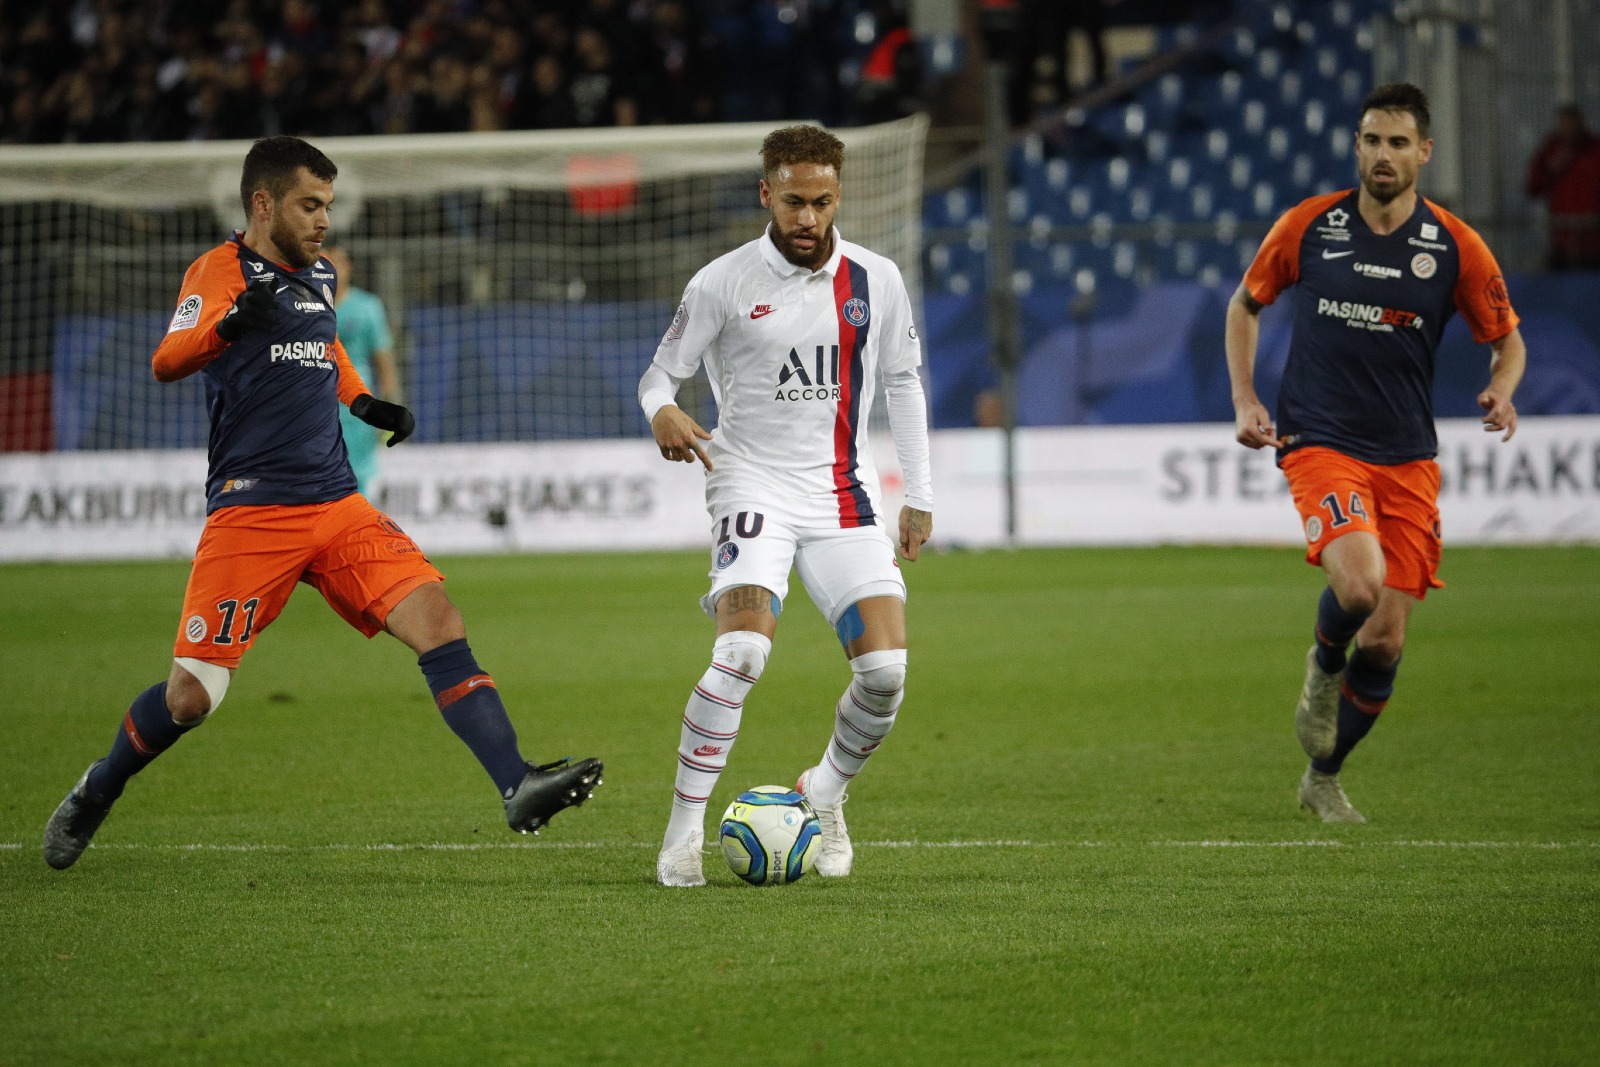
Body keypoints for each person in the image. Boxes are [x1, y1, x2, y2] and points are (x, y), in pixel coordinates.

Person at [43, 136, 601, 870]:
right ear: (263, 203)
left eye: (328, 206)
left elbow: (326, 347)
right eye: (310, 205)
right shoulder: (218, 270)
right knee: (191, 697)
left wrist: (365, 402)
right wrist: (231, 324)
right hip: (253, 512)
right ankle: (98, 788)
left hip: (338, 504)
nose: (323, 221)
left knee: (437, 617)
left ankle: (516, 782)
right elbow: (166, 360)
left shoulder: (321, 278)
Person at [641, 125, 934, 886]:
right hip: (752, 485)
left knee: (887, 672)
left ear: (841, 196)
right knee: (741, 651)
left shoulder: (877, 278)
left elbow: (904, 382)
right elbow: (657, 377)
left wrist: (921, 495)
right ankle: (681, 835)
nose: (808, 217)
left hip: (843, 493)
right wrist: (661, 411)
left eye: (823, 201)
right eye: (795, 201)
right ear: (766, 194)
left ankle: (825, 792)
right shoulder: (722, 282)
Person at [1226, 84, 1526, 823]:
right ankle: (1323, 667)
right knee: (1358, 589)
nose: (1382, 155)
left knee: (1387, 640)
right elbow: (1245, 305)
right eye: (1371, 140)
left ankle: (1323, 775)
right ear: (1356, 146)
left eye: (1397, 143)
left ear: (1424, 151)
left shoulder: (1454, 245)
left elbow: (1508, 340)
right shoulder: (1310, 226)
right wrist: (1245, 399)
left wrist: (1503, 387)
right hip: (1320, 440)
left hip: (1407, 454)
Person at [323, 243, 400, 498]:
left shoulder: (368, 307)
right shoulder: (307, 307)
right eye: (328, 261)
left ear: (349, 267)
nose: (334, 268)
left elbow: (384, 362)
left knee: (359, 479)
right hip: (318, 407)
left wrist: (390, 408)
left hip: (358, 408)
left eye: (340, 262)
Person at [1525, 103, 1600, 271]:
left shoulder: (1595, 150)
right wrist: (1549, 169)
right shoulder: (1550, 151)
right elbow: (1532, 188)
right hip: (1562, 239)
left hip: (1593, 239)